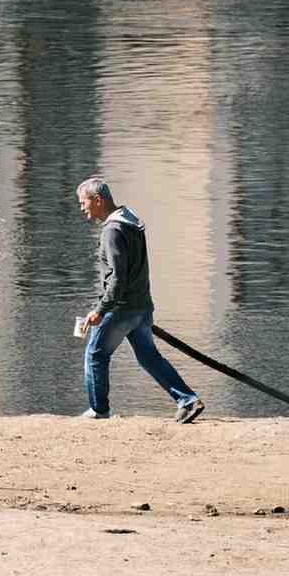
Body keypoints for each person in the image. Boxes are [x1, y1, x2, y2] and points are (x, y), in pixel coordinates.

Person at [75, 176, 205, 424]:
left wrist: (101, 309)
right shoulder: (131, 221)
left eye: (83, 203)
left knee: (95, 354)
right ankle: (187, 400)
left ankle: (99, 410)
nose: (82, 209)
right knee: (149, 357)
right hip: (141, 307)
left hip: (121, 308)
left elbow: (117, 278)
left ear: (98, 200)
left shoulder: (112, 231)